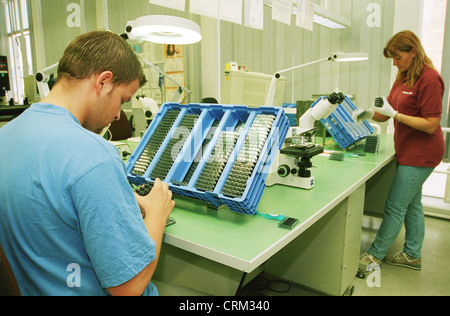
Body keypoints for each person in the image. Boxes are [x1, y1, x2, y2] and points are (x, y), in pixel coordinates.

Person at [0, 31, 175, 295]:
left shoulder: (6, 135)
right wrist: (158, 214)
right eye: (123, 100)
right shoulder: (94, 155)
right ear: (103, 82)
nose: (118, 115)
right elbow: (130, 286)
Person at [355, 30, 445, 271]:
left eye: (397, 57)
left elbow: (431, 124)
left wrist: (396, 115)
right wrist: (367, 113)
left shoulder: (429, 79)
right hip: (407, 150)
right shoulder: (403, 77)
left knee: (395, 206)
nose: (394, 63)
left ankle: (374, 256)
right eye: (392, 59)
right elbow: (387, 110)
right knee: (412, 204)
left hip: (423, 153)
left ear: (413, 52)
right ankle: (413, 254)